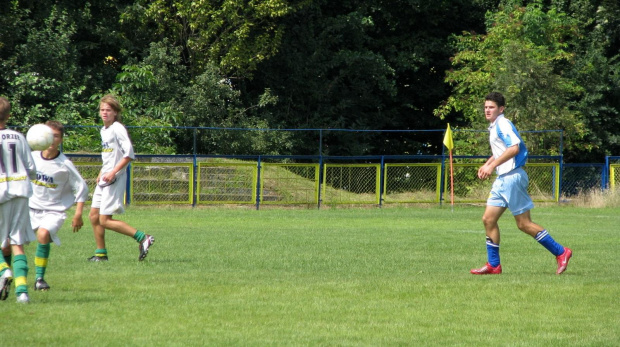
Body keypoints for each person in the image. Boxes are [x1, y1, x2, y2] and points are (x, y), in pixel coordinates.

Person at [470, 92, 572, 275]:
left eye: (491, 107)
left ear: (501, 109)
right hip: (503, 180)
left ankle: (561, 252)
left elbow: (514, 148)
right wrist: (488, 163)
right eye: (485, 107)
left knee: (524, 224)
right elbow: (502, 149)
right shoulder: (494, 126)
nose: (487, 110)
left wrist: (491, 166)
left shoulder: (503, 123)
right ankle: (494, 265)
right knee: (488, 219)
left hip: (512, 177)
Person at [88, 94, 154, 262]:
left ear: (115, 112)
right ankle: (101, 254)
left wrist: (112, 173)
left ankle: (142, 237)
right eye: (102, 110)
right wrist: (101, 172)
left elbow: (129, 154)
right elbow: (109, 155)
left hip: (114, 178)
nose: (104, 113)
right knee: (94, 216)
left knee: (104, 220)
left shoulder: (117, 128)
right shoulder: (104, 130)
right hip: (105, 177)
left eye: (108, 110)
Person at [28, 120, 89, 290]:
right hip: (29, 209)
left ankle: (39, 279)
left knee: (43, 234)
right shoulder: (32, 157)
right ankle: (7, 276)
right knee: (7, 242)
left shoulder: (64, 164)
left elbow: (81, 188)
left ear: (61, 140)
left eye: (56, 136)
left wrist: (78, 214)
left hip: (53, 211)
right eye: (48, 135)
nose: (52, 139)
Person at [0, 96, 37, 303]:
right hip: (21, 190)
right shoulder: (18, 137)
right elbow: (31, 169)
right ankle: (22, 293)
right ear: (9, 115)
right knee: (17, 241)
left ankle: (4, 271)